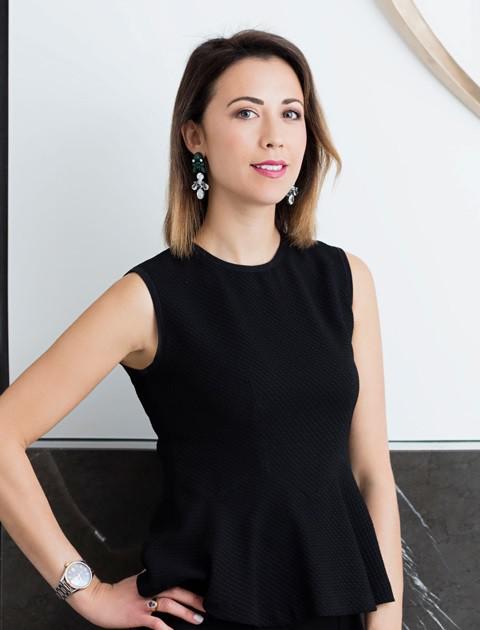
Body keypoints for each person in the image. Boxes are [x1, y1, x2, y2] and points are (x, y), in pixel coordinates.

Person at [0, 28, 403, 630]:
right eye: (246, 112)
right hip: (211, 612)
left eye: (291, 113)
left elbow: (372, 474)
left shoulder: (345, 280)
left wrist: (386, 624)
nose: (274, 135)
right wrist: (87, 591)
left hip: (339, 609)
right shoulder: (146, 298)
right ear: (195, 135)